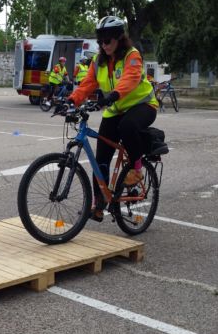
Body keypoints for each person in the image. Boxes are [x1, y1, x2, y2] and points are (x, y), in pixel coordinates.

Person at [68, 16, 159, 221]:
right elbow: (87, 84)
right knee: (100, 160)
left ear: (119, 38)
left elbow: (131, 79)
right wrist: (71, 100)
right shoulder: (98, 61)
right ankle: (98, 205)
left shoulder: (132, 55)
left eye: (107, 41)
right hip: (114, 109)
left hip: (142, 105)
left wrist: (112, 96)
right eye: (100, 41)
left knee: (127, 126)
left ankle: (136, 169)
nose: (103, 45)